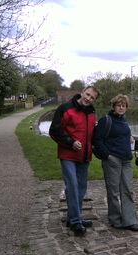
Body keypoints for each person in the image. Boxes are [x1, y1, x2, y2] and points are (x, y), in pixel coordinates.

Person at [49, 86, 100, 237]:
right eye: (88, 94)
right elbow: (54, 131)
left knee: (81, 188)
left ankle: (73, 218)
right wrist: (70, 142)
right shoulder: (65, 108)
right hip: (68, 154)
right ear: (82, 92)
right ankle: (76, 221)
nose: (88, 99)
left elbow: (91, 134)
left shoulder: (91, 112)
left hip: (84, 156)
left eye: (92, 98)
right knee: (72, 186)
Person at [93, 94, 138, 231]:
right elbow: (97, 140)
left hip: (126, 159)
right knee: (113, 191)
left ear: (126, 108)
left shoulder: (124, 120)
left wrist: (129, 136)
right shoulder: (106, 120)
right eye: (119, 105)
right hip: (112, 160)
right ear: (113, 107)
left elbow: (122, 133)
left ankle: (130, 220)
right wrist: (107, 156)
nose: (121, 107)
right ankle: (115, 219)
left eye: (124, 105)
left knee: (128, 190)